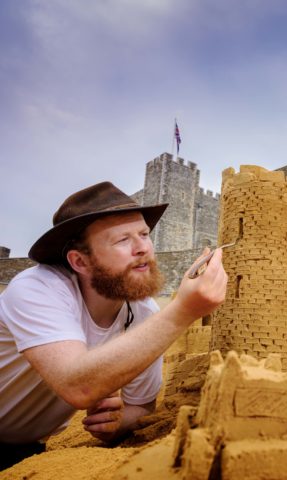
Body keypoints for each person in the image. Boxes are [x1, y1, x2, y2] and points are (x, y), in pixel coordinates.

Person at [0, 181, 228, 470]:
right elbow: (77, 386)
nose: (143, 248)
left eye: (144, 234)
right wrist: (183, 311)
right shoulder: (36, 288)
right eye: (122, 240)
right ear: (80, 262)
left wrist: (121, 421)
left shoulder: (143, 313)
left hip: (27, 450)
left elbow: (142, 407)